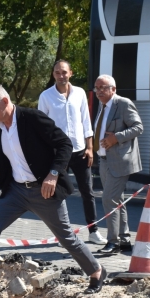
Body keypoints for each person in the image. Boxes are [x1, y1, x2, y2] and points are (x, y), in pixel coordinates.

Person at [0, 84, 107, 298]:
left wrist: (53, 174)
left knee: (66, 238)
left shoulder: (32, 118)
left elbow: (64, 143)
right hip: (16, 191)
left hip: (43, 191)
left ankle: (97, 272)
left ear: (5, 101)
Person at [38, 60, 107, 245]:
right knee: (59, 194)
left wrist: (90, 147)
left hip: (80, 151)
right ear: (53, 74)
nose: (61, 76)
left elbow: (86, 120)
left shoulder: (80, 93)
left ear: (71, 73)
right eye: (57, 72)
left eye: (64, 72)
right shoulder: (46, 96)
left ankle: (93, 231)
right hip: (58, 153)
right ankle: (63, 233)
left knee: (88, 192)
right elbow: (42, 126)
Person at [92, 75, 143, 254]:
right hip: (104, 160)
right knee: (117, 201)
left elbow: (138, 127)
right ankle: (124, 240)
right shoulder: (102, 105)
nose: (98, 91)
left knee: (109, 199)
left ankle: (112, 242)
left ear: (113, 89)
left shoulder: (122, 103)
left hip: (120, 161)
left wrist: (115, 138)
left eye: (103, 87)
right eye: (96, 87)